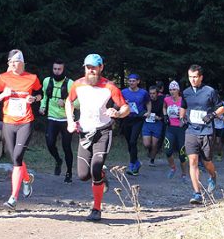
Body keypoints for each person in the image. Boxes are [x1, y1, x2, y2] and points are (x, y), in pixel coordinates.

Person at [65, 54, 130, 221]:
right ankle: (101, 175)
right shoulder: (77, 84)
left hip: (103, 132)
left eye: (94, 67)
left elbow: (125, 108)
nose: (91, 70)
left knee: (95, 168)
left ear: (101, 68)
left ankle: (96, 209)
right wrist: (70, 121)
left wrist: (117, 113)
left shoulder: (110, 87)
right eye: (88, 67)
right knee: (83, 175)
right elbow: (69, 101)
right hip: (85, 133)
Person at [0, 50, 43, 210]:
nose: (13, 64)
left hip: (26, 122)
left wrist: (34, 99)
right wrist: (3, 95)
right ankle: (27, 179)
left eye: (16, 61)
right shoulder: (3, 78)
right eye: (10, 62)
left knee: (17, 157)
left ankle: (13, 197)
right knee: (15, 158)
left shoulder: (32, 78)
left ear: (22, 62)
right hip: (8, 122)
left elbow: (41, 94)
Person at [180, 65, 224, 205]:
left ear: (201, 77)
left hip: (206, 131)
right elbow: (183, 106)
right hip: (191, 131)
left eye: (195, 77)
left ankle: (213, 175)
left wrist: (212, 115)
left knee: (207, 162)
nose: (192, 80)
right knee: (193, 162)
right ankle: (197, 193)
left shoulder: (210, 91)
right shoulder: (186, 92)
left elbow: (222, 107)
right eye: (190, 77)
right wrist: (182, 117)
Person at [39, 59, 75, 183]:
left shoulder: (70, 83)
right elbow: (44, 95)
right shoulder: (47, 81)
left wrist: (65, 102)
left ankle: (69, 172)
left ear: (63, 69)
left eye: (59, 69)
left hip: (66, 119)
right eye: (55, 69)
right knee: (49, 143)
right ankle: (58, 160)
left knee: (66, 147)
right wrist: (42, 106)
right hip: (52, 118)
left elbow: (78, 102)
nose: (57, 71)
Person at [121, 73, 150, 176]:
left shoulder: (143, 93)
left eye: (133, 81)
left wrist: (148, 112)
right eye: (130, 81)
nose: (131, 82)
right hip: (126, 118)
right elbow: (117, 103)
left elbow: (148, 102)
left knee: (133, 141)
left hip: (138, 119)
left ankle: (132, 164)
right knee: (129, 142)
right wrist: (123, 103)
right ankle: (136, 162)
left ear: (138, 81)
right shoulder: (123, 92)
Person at [163, 80, 188, 180]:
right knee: (168, 150)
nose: (172, 91)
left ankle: (184, 173)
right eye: (170, 90)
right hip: (170, 128)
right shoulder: (167, 100)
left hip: (181, 129)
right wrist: (165, 116)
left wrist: (185, 118)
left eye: (174, 89)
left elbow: (189, 111)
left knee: (182, 153)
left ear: (178, 90)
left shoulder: (183, 100)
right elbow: (164, 107)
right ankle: (173, 168)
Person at [142, 85, 166, 166]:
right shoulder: (146, 101)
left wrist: (160, 118)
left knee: (155, 144)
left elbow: (165, 111)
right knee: (147, 144)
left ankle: (152, 159)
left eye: (153, 93)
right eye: (150, 93)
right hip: (147, 122)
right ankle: (150, 151)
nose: (152, 95)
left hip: (157, 123)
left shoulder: (161, 100)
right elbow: (141, 110)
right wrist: (144, 114)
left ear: (157, 94)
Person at [213, 96, 224, 161]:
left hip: (220, 127)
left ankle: (219, 155)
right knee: (212, 141)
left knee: (219, 141)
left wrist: (222, 118)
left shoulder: (223, 106)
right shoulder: (212, 105)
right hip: (213, 126)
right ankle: (210, 155)